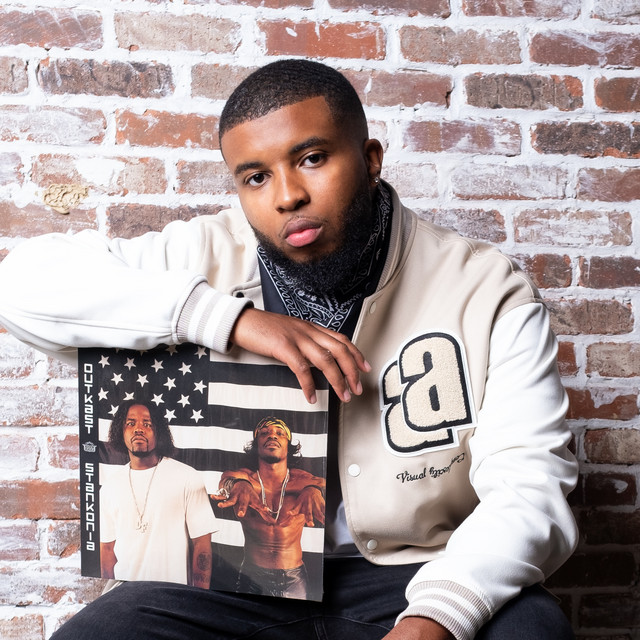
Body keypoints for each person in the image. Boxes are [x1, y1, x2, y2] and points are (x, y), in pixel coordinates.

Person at [0, 59, 578, 639]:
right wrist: (225, 319)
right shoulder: (205, 252)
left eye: (312, 158)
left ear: (371, 159)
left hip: (417, 572)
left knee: (531, 628)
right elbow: (18, 288)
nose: (287, 196)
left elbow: (530, 486)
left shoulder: (484, 287)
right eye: (256, 177)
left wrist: (439, 615)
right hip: (232, 584)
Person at [100, 400, 217, 589]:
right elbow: (107, 550)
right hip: (125, 595)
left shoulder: (187, 477)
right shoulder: (109, 487)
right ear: (121, 432)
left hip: (173, 595)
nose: (139, 429)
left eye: (147, 424)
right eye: (130, 423)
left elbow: (202, 545)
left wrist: (198, 597)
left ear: (159, 432)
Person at [214, 417, 326, 599]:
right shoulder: (244, 478)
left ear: (288, 446)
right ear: (256, 445)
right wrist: (237, 485)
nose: (272, 436)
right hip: (252, 575)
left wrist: (315, 490)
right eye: (264, 433)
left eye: (280, 433)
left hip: (294, 577)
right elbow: (226, 480)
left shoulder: (303, 481)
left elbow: (325, 485)